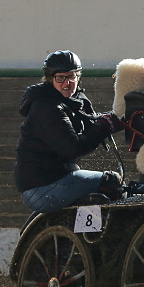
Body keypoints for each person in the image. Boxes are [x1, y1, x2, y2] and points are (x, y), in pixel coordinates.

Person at [15, 50, 124, 213]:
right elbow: (72, 149)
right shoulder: (47, 106)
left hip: (52, 180)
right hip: (43, 187)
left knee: (100, 189)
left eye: (71, 77)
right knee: (111, 181)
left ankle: (82, 234)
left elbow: (92, 122)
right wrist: (103, 126)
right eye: (60, 78)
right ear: (50, 79)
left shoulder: (71, 100)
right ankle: (104, 234)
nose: (67, 83)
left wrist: (117, 119)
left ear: (78, 77)